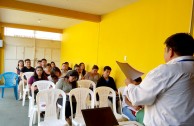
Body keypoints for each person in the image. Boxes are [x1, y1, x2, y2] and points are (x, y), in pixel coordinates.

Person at [125, 33, 194, 126]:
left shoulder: (166, 70)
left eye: (165, 50)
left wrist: (130, 84)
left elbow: (138, 98)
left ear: (171, 51)